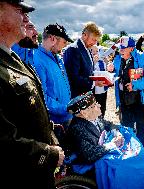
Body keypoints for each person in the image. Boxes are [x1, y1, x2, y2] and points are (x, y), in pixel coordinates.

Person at [0, 1, 64, 188]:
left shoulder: (11, 56)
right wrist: (49, 154)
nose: (27, 19)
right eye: (20, 11)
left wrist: (51, 139)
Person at [64, 91, 144, 189]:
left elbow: (108, 124)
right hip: (87, 163)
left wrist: (116, 133)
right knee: (128, 166)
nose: (99, 105)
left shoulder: (92, 117)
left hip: (101, 152)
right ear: (84, 112)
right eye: (94, 105)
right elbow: (89, 155)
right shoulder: (78, 128)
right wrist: (112, 145)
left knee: (137, 154)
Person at [107, 36, 144, 148]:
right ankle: (127, 147)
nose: (121, 50)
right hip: (123, 97)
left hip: (138, 97)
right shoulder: (117, 58)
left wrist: (135, 85)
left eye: (124, 48)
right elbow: (115, 73)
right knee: (125, 123)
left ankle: (140, 148)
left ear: (132, 48)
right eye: (120, 48)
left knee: (139, 124)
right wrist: (110, 70)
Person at [33, 23, 74, 136]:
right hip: (54, 122)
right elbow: (41, 96)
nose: (64, 46)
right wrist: (65, 108)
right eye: (64, 42)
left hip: (65, 115)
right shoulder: (38, 60)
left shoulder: (57, 57)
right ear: (52, 39)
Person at [63, 22, 103, 98]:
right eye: (93, 39)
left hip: (85, 95)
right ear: (84, 35)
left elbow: (86, 71)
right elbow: (73, 78)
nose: (94, 43)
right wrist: (94, 83)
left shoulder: (87, 48)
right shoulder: (73, 49)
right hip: (76, 97)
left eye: (96, 41)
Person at [90, 45, 109, 118]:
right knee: (95, 108)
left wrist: (107, 63)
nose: (95, 53)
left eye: (96, 51)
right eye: (93, 51)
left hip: (103, 88)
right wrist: (93, 62)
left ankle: (102, 118)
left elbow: (108, 71)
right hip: (94, 89)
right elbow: (88, 72)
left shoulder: (102, 61)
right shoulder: (89, 61)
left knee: (103, 106)